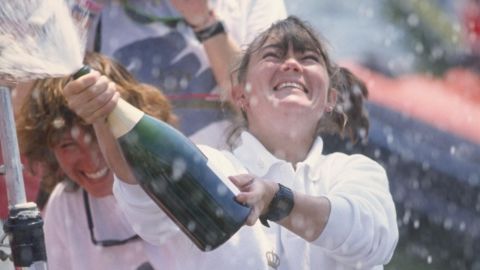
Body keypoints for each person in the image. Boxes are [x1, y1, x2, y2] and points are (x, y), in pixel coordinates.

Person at [63, 16, 398, 270]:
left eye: (309, 58)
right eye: (273, 55)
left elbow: (373, 239)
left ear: (330, 99)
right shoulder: (209, 167)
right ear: (240, 94)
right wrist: (103, 115)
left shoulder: (355, 172)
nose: (292, 64)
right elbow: (146, 208)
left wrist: (276, 201)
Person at [15, 52, 177, 270]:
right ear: (48, 150)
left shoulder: (177, 180)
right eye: (68, 145)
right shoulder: (64, 204)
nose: (91, 161)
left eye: (99, 134)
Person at [74, 0, 287, 143]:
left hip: (235, 189)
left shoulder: (253, 4)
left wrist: (204, 20)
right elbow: (52, 109)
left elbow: (266, 110)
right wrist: (83, 11)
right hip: (137, 196)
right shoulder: (91, 10)